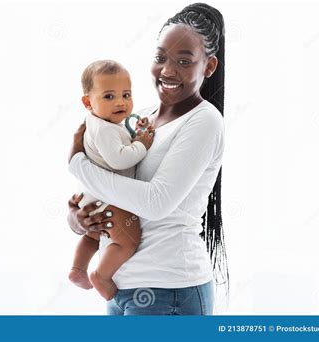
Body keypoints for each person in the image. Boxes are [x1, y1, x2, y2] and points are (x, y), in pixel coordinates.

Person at [67, 3, 229, 315]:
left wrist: (78, 165)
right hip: (119, 287)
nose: (168, 70)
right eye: (160, 58)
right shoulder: (137, 120)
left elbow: (156, 203)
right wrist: (79, 219)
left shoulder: (204, 121)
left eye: (184, 61)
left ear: (208, 67)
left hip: (169, 292)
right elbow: (112, 185)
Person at [69, 60, 155, 300]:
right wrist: (142, 143)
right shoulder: (105, 129)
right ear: (88, 102)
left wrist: (136, 130)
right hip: (109, 200)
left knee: (92, 235)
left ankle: (78, 269)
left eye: (126, 95)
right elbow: (119, 159)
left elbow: (119, 138)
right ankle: (102, 275)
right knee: (127, 241)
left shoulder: (99, 123)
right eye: (109, 96)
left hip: (91, 196)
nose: (120, 102)